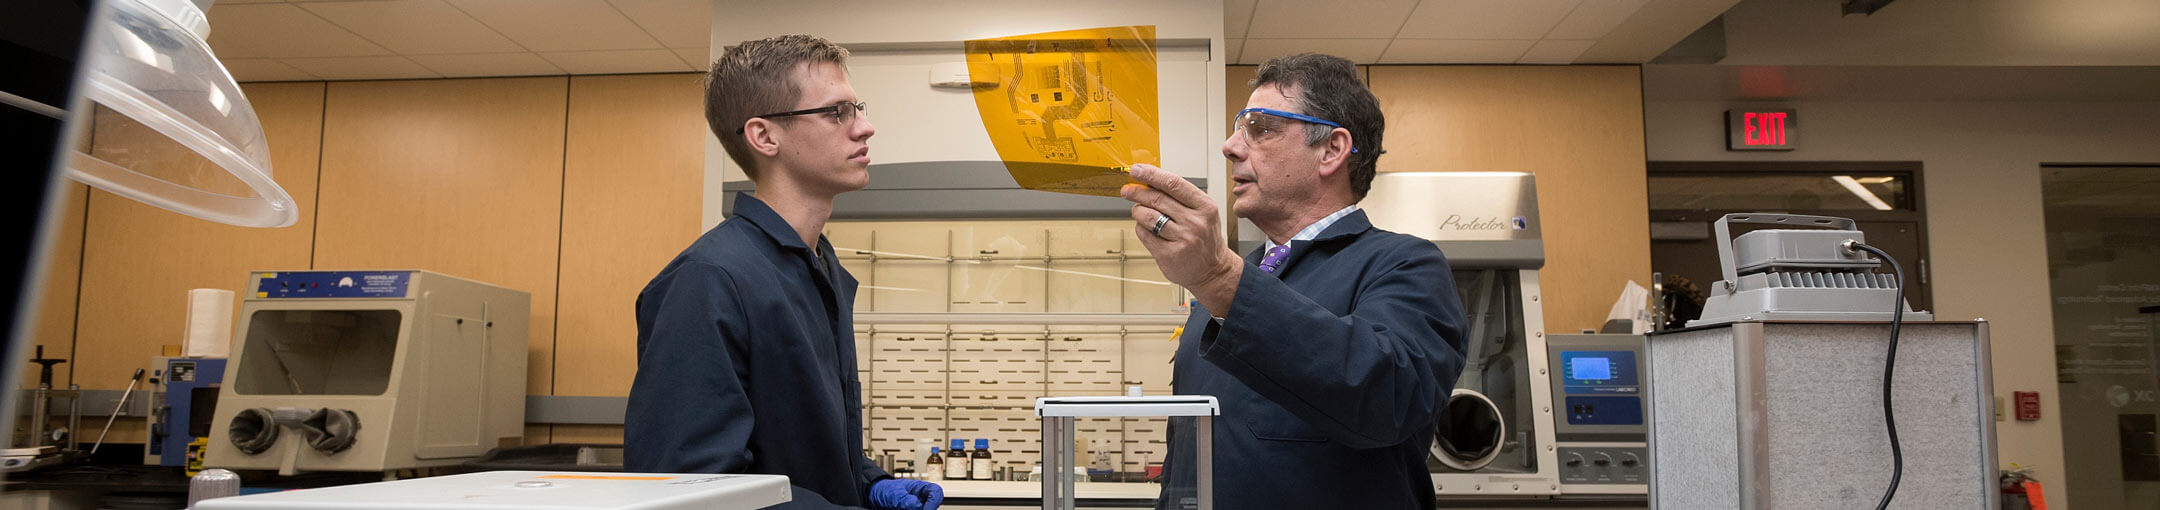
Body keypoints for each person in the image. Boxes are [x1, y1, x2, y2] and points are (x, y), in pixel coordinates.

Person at [1118, 53, 1468, 509]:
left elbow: (1389, 399)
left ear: (1331, 150)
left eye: (1260, 128)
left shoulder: (1404, 264)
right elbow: (1192, 447)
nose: (1230, 147)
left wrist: (1219, 276)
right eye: (1238, 129)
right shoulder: (1225, 285)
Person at [625, 34, 941, 510]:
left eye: (858, 108)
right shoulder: (710, 280)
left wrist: (869, 482)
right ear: (765, 136)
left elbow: (802, 441)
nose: (865, 127)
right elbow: (690, 485)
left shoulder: (816, 267)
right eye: (838, 112)